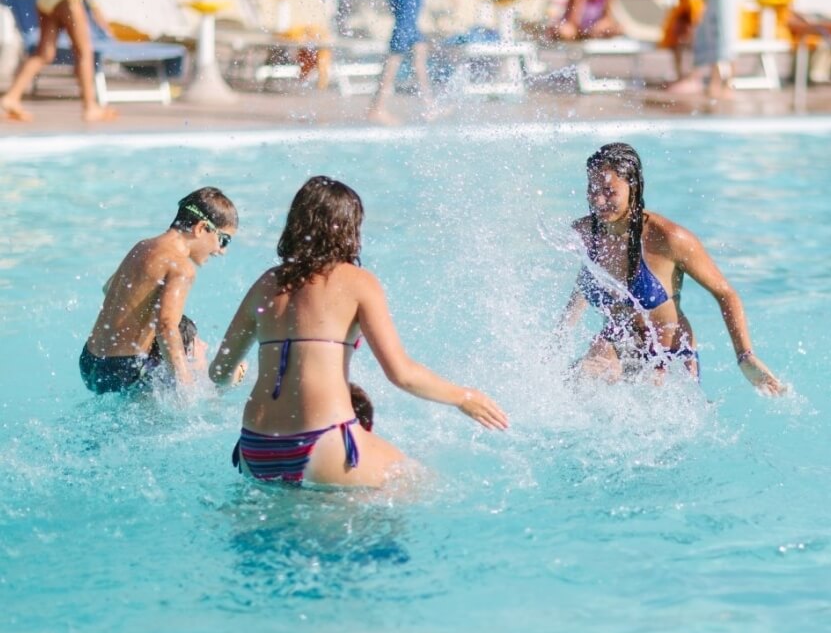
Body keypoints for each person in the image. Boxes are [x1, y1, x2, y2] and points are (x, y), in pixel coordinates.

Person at [209, 176, 508, 488]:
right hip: (324, 441)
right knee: (422, 483)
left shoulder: (265, 284)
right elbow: (401, 374)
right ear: (348, 229)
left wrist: (236, 373)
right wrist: (463, 397)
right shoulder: (358, 283)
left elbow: (219, 372)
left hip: (255, 449)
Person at [557, 143, 784, 394]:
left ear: (633, 187)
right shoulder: (586, 232)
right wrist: (560, 336)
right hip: (617, 342)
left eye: (609, 191)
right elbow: (588, 278)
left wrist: (745, 357)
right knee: (569, 384)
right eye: (593, 189)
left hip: (666, 354)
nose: (599, 200)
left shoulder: (668, 238)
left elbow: (725, 293)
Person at [80, 188, 238, 395]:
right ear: (201, 228)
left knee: (182, 328)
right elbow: (165, 326)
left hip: (90, 361)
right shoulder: (182, 267)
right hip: (124, 370)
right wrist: (186, 386)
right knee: (187, 348)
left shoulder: (143, 246)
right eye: (224, 240)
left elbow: (109, 288)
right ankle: (222, 379)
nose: (222, 250)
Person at [667, 0, 740, 98]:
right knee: (720, 51)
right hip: (716, 22)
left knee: (725, 51)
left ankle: (724, 84)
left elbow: (725, 4)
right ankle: (715, 83)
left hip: (725, 22)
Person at [659, 0, 710, 79]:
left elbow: (700, 14)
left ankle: (691, 75)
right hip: (686, 30)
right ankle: (681, 74)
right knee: (679, 41)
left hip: (702, 30)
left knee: (689, 42)